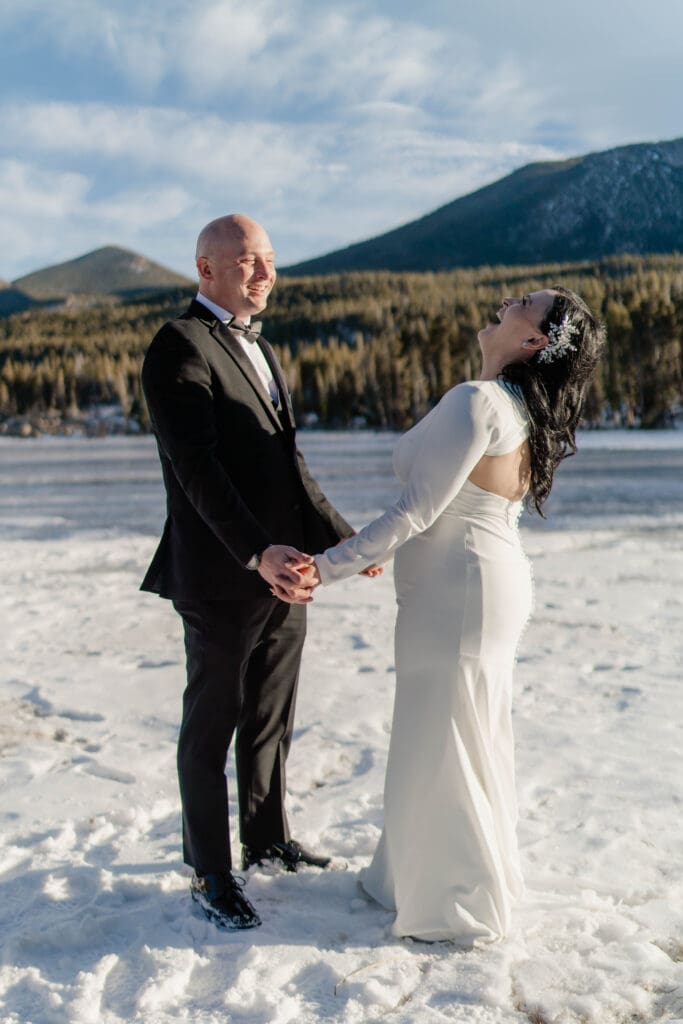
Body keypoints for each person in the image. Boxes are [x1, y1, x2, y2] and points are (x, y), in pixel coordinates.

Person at [281, 286, 605, 944]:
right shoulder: (511, 407)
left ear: (533, 341)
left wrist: (325, 565)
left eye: (527, 302)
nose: (510, 298)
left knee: (446, 734)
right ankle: (422, 878)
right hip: (479, 579)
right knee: (458, 730)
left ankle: (456, 903)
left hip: (457, 588)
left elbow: (416, 512)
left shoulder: (478, 401)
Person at [140, 214, 365, 931]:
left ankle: (266, 838)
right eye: (247, 263)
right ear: (206, 269)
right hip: (220, 575)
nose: (264, 274)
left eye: (269, 260)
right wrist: (252, 553)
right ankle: (210, 872)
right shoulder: (178, 345)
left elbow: (286, 464)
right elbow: (195, 468)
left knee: (269, 717)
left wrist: (341, 540)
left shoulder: (261, 349)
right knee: (211, 727)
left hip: (289, 570)